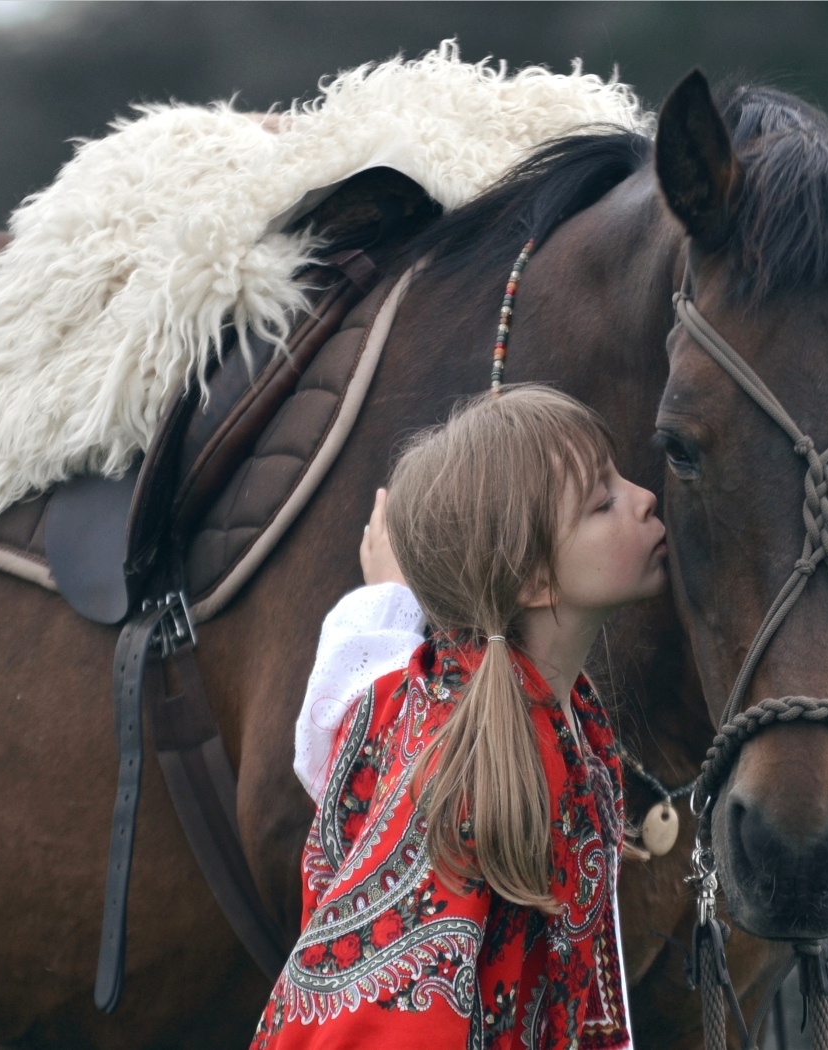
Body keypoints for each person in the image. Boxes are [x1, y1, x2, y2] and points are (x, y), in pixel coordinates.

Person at [251, 385, 667, 1050]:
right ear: (534, 582)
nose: (645, 498)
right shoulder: (464, 771)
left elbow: (363, 722)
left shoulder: (543, 716)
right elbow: (385, 1024)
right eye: (602, 502)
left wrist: (388, 597)